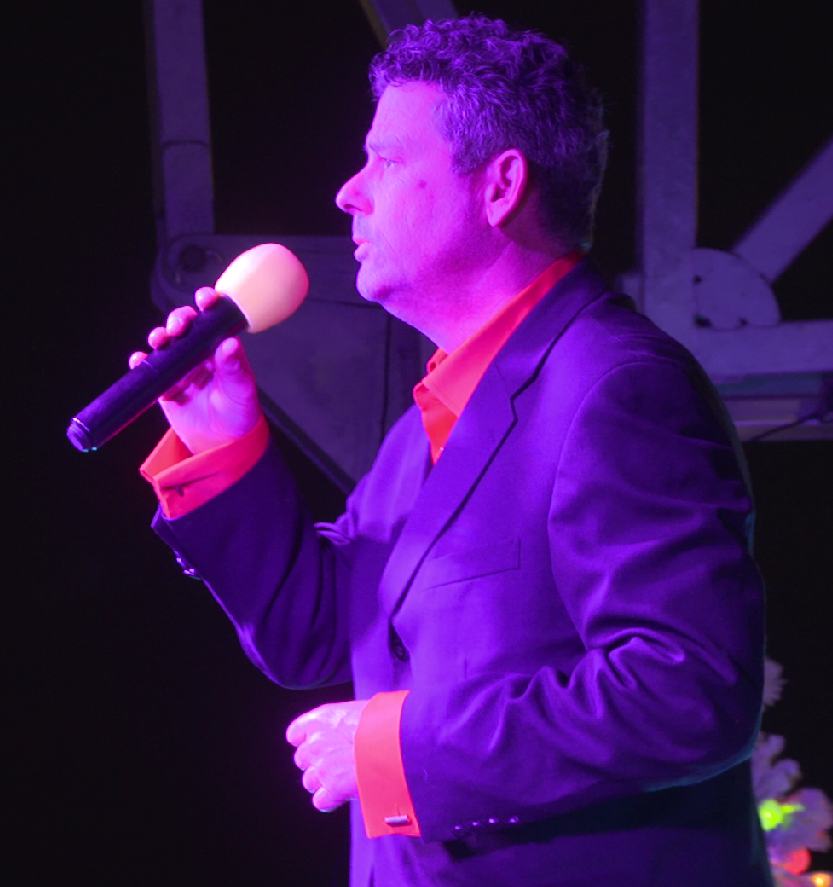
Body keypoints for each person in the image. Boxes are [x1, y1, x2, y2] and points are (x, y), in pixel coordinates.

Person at [134, 15, 773, 887]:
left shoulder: (616, 387)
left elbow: (688, 688)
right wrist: (221, 443)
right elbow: (314, 630)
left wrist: (401, 746)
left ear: (500, 185)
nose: (348, 193)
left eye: (386, 161)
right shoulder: (428, 424)